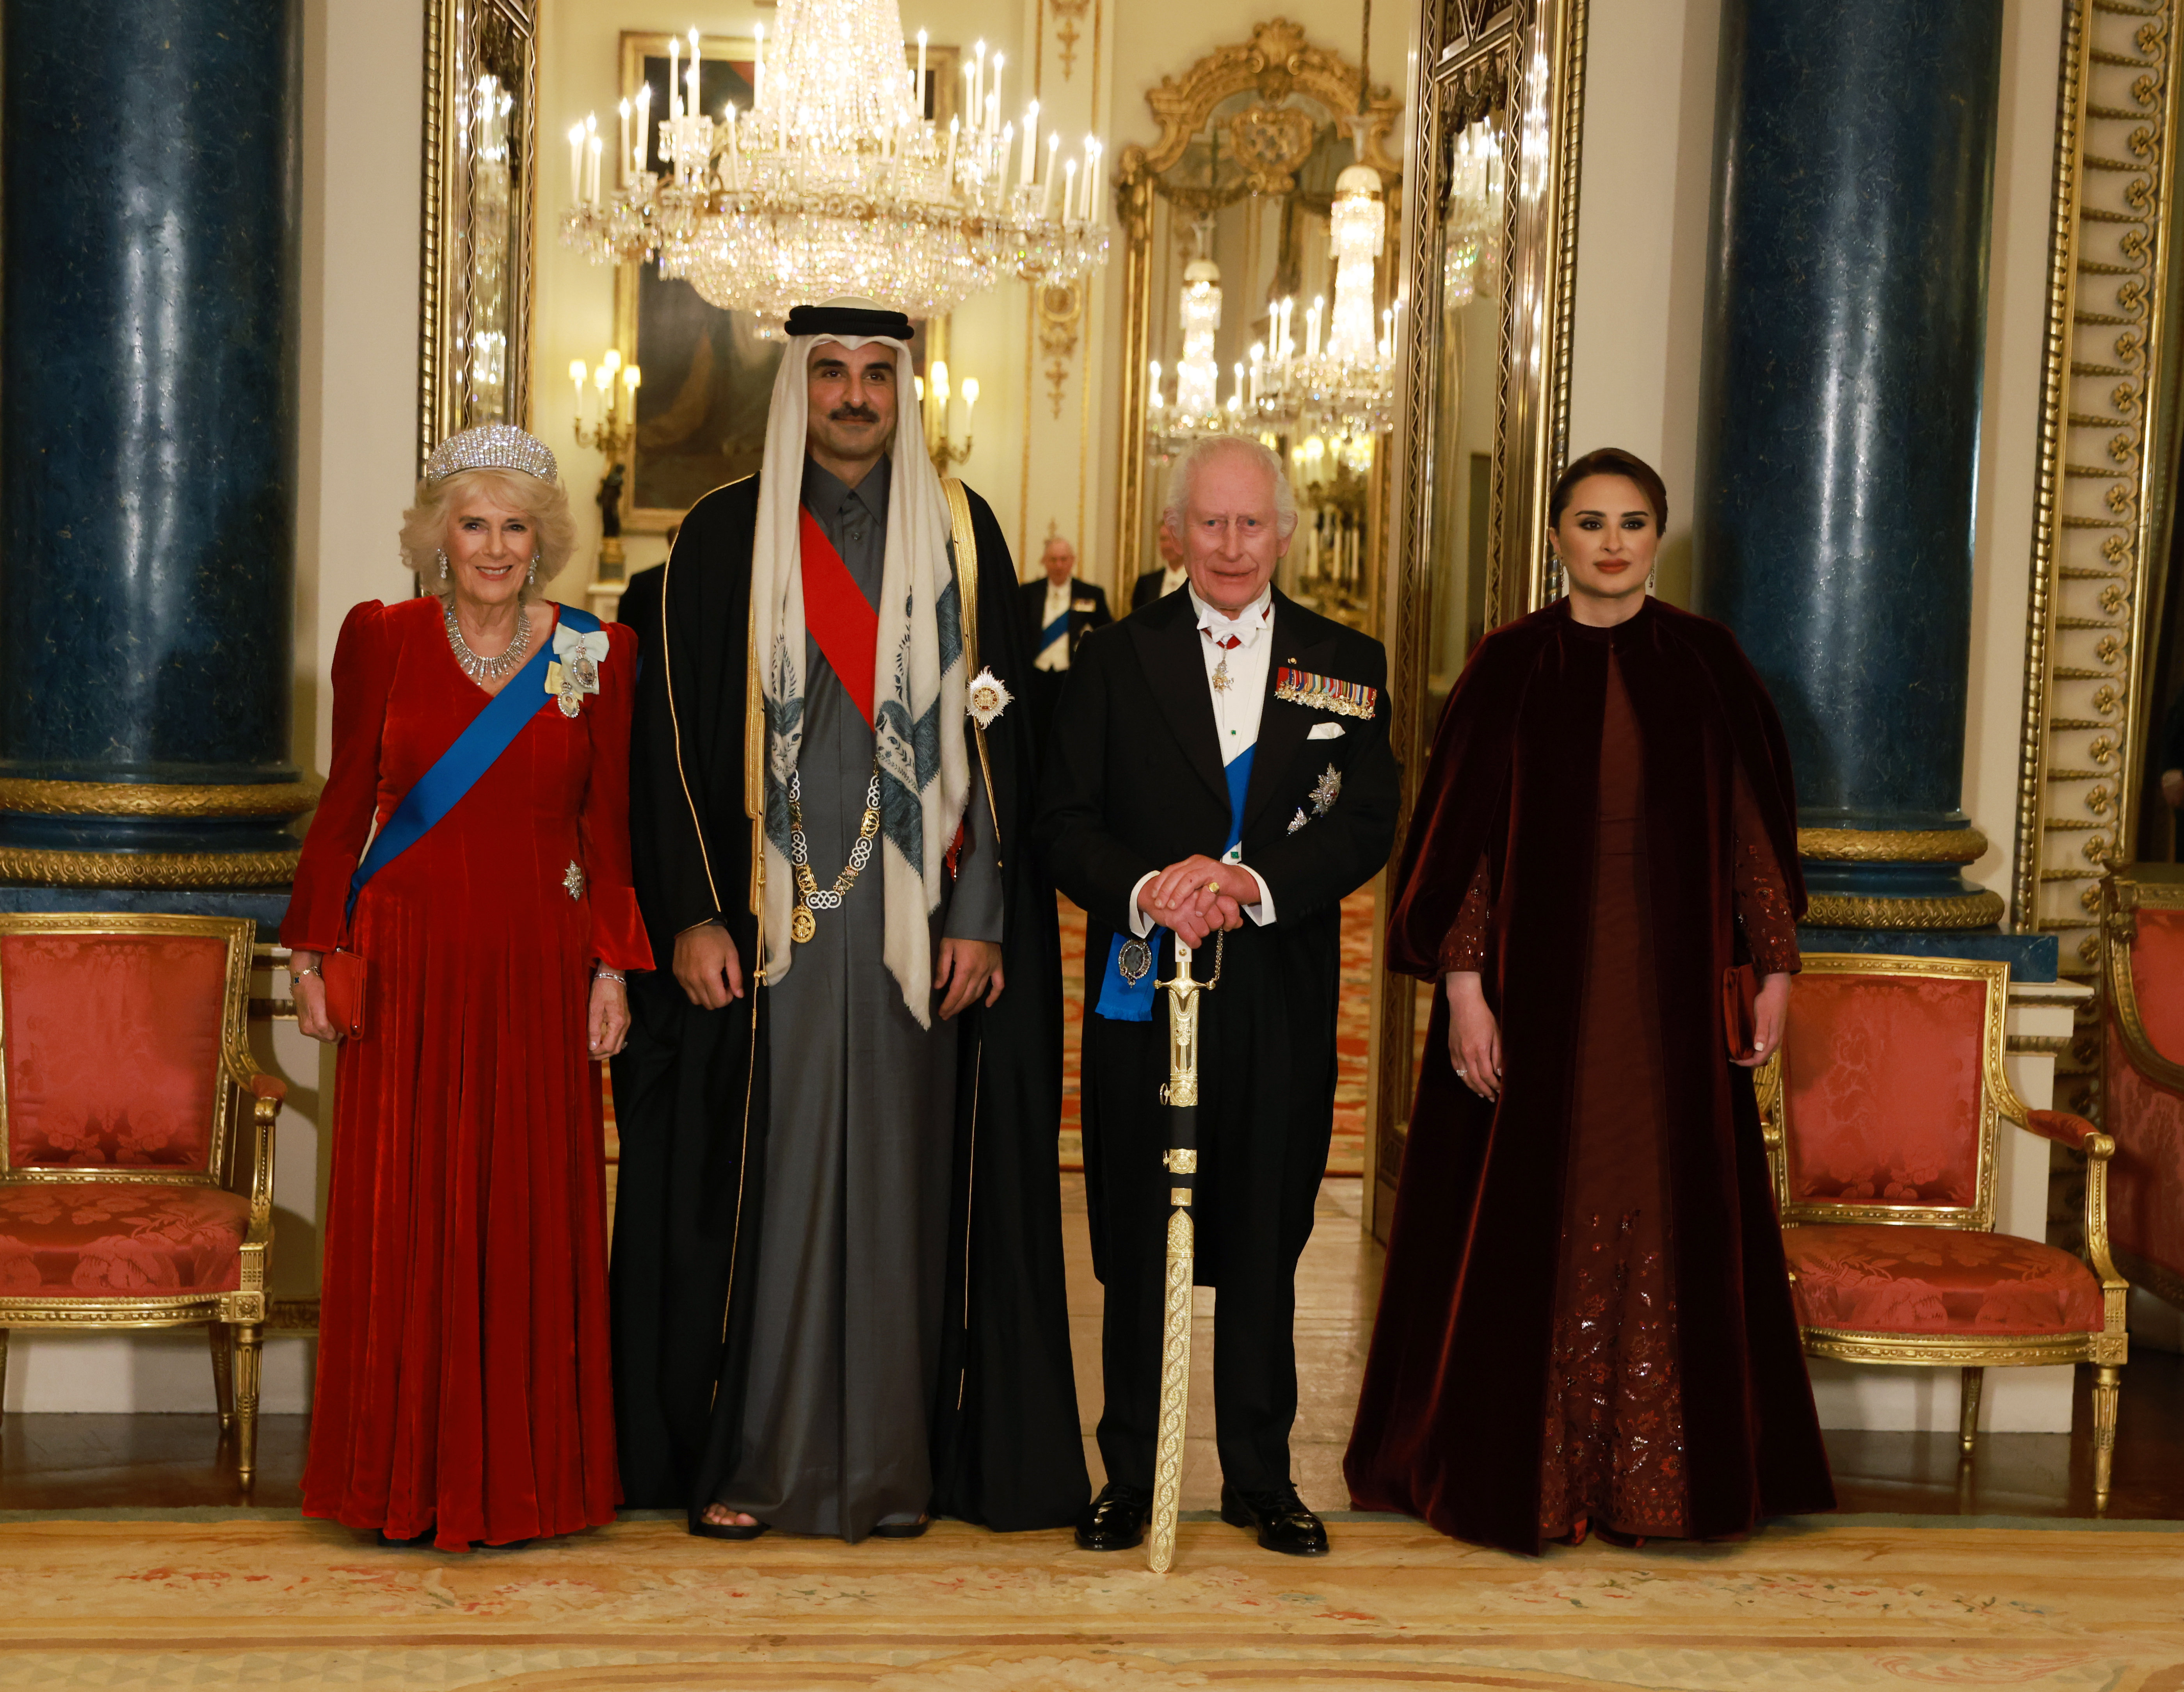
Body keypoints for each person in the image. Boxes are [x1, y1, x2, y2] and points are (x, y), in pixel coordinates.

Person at [615, 298, 1087, 1542]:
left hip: (911, 916)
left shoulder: (964, 535)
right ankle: (760, 1461)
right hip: (770, 926)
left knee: (901, 1189)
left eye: (877, 373)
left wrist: (980, 911)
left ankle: (888, 1470)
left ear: (905, 387)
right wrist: (690, 916)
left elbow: (990, 726)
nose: (855, 395)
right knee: (766, 1195)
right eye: (831, 371)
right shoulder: (719, 540)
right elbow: (663, 747)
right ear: (797, 384)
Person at [1343, 446, 1834, 1555]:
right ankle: (1534, 1475)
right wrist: (1465, 992)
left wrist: (1777, 970)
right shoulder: (1508, 662)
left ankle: (1655, 1485)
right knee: (1534, 1218)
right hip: (1531, 994)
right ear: (1556, 536)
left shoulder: (1708, 662)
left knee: (1663, 1210)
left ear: (1658, 536)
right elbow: (1463, 849)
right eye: (1588, 521)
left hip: (1666, 997)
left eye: (1631, 521)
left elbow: (1755, 837)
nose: (1610, 541)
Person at [283, 423, 650, 1550]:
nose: (494, 547)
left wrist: (610, 966)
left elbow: (609, 825)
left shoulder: (599, 648)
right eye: (474, 523)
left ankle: (528, 1479)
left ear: (544, 541)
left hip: (537, 960)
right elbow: (346, 802)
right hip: (405, 963)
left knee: (527, 1208)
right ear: (437, 533)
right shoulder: (381, 636)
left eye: (516, 527)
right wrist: (308, 951)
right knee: (407, 1209)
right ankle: (396, 1475)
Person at [1037, 435, 1398, 1557]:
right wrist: (1150, 889)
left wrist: (1251, 881)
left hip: (1276, 985)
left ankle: (1260, 1472)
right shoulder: (1111, 658)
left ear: (1284, 533)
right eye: (1210, 523)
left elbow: (1363, 822)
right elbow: (1061, 821)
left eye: (1252, 524)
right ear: (1171, 534)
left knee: (1263, 1226)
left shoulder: (1345, 662)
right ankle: (1130, 1475)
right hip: (1147, 986)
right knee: (1140, 1233)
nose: (1232, 545)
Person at [1017, 533, 1112, 747]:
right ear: (1044, 562)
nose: (1059, 565)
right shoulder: (1028, 593)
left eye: (1064, 560)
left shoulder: (1091, 594)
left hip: (1071, 679)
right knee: (1036, 738)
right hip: (1036, 679)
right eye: (1053, 560)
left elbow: (1106, 633)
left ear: (1073, 561)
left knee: (1068, 737)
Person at [1130, 525, 1189, 610]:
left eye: (1173, 539)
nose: (1168, 545)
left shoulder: (1199, 582)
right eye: (1163, 539)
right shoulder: (1146, 583)